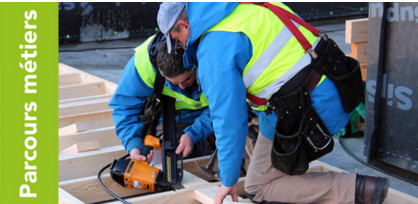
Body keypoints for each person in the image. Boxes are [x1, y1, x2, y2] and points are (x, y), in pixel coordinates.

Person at [157, 2, 389, 204]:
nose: (182, 48)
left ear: (185, 26)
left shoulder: (213, 53)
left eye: (178, 40)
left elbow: (229, 121)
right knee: (261, 155)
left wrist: (228, 180)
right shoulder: (240, 7)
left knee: (258, 186)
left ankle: (359, 191)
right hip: (334, 83)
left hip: (311, 108)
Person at [109, 31, 213, 164]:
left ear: (194, 66)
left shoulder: (211, 60)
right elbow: (124, 107)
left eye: (186, 80)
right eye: (174, 83)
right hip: (170, 116)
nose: (181, 87)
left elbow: (226, 106)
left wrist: (194, 133)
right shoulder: (143, 65)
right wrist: (133, 145)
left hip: (214, 113)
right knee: (161, 168)